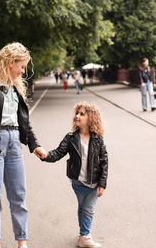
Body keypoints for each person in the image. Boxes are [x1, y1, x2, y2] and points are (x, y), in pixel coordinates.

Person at [0, 42, 46, 248]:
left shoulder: (16, 87)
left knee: (18, 196)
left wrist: (35, 144)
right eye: (21, 66)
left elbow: (24, 122)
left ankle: (22, 242)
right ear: (10, 62)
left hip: (14, 145)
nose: (23, 71)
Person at [38, 102, 108, 248]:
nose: (77, 116)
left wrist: (102, 183)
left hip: (93, 182)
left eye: (82, 114)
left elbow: (104, 162)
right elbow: (58, 153)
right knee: (82, 208)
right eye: (77, 113)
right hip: (77, 182)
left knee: (88, 209)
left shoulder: (98, 139)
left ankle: (85, 236)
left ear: (91, 119)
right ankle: (84, 233)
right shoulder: (70, 138)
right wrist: (45, 155)